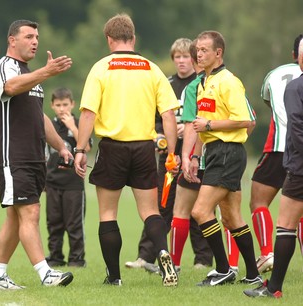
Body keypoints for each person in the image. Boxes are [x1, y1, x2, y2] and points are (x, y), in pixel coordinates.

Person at [74, 13, 180, 287]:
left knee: (108, 214)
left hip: (112, 149)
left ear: (109, 39)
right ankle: (163, 253)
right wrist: (171, 152)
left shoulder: (101, 68)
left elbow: (87, 114)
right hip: (145, 148)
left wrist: (80, 148)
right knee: (150, 212)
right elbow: (168, 115)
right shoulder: (152, 69)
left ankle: (115, 278)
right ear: (133, 38)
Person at [0, 19, 74, 292]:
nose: (35, 41)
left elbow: (40, 117)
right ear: (12, 40)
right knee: (30, 211)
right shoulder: (3, 68)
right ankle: (45, 273)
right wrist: (46, 72)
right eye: (28, 36)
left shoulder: (30, 74)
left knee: (16, 216)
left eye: (37, 36)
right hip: (14, 156)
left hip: (35, 157)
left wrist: (61, 146)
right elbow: (10, 87)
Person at [125, 38, 213, 272]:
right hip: (170, 155)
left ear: (194, 59)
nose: (182, 61)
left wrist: (189, 127)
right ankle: (146, 256)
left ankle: (202, 259)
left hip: (197, 153)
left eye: (186, 56)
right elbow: (154, 120)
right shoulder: (166, 84)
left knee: (196, 208)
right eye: (177, 57)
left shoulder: (203, 83)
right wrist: (161, 135)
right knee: (160, 205)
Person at [187, 31, 259, 286]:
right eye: (198, 49)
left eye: (205, 49)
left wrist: (210, 124)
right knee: (230, 217)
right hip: (217, 151)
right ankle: (253, 274)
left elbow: (246, 119)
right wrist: (196, 153)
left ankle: (223, 269)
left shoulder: (228, 81)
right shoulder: (204, 82)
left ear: (218, 53)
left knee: (200, 210)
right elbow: (200, 126)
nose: (199, 53)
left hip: (227, 152)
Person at [244, 37, 303, 299]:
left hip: (296, 162)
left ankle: (272, 281)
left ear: (296, 56)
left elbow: (297, 127)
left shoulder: (291, 86)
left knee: (284, 222)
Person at [45, 87, 91, 268]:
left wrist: (72, 127)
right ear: (52, 106)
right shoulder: (50, 126)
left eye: (65, 104)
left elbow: (86, 147)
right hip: (52, 182)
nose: (62, 108)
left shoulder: (80, 124)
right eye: (58, 105)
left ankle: (77, 259)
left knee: (74, 224)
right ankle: (55, 256)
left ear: (72, 104)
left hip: (73, 183)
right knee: (54, 222)